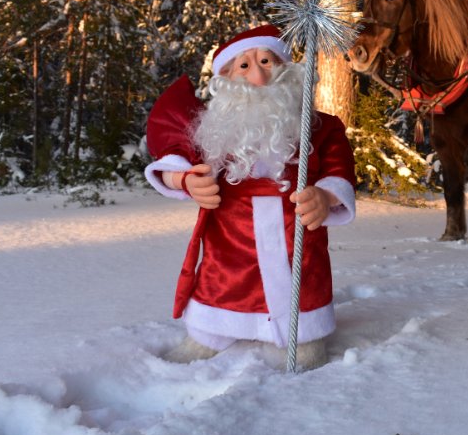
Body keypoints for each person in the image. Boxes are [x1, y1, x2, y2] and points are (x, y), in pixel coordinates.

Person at [144, 24, 356, 369]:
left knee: (300, 290)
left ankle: (303, 334)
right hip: (229, 244)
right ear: (227, 77)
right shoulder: (214, 128)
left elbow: (338, 167)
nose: (258, 75)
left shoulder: (320, 127)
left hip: (296, 236)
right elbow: (175, 157)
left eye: (266, 61)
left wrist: (326, 195)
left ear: (285, 68)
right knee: (223, 284)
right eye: (244, 65)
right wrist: (184, 180)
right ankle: (212, 329)